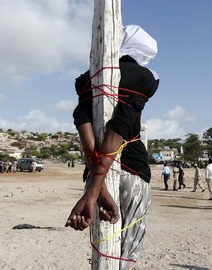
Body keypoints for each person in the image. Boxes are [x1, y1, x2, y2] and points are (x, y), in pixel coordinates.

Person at [65, 25, 159, 269]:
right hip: (132, 174)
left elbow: (82, 116)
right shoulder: (144, 78)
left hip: (96, 174)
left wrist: (95, 187)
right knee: (124, 254)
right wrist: (96, 190)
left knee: (103, 249)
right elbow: (123, 121)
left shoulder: (88, 79)